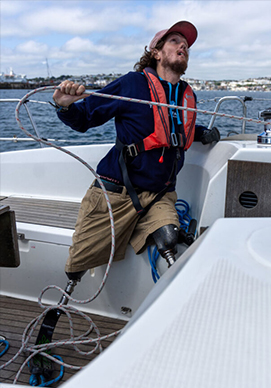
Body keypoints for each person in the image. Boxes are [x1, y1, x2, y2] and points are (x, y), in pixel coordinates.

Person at [52, 20, 219, 284]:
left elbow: (174, 127)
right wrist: (64, 106)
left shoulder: (186, 93)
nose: (183, 46)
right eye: (175, 41)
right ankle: (65, 300)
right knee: (77, 266)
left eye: (186, 44)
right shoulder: (132, 85)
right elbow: (84, 119)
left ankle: (173, 304)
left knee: (169, 238)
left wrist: (202, 134)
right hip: (116, 193)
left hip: (160, 194)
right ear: (156, 52)